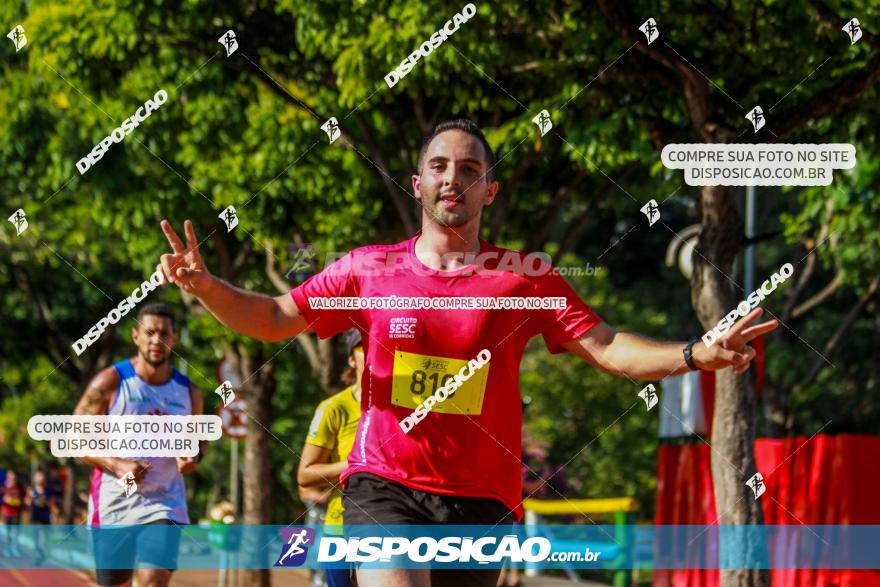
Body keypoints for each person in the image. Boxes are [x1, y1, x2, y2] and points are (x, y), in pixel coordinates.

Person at [156, 118, 777, 587]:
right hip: (383, 483)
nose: (454, 177)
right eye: (440, 166)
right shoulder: (367, 271)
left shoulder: (524, 278)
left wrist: (697, 352)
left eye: (471, 169)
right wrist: (207, 287)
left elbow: (609, 348)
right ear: (419, 182)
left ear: (490, 191)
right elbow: (270, 317)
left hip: (481, 501)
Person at [73, 303, 203, 587]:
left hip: (164, 501)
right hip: (115, 501)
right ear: (136, 336)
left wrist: (190, 457)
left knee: (153, 579)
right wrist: (117, 464)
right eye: (150, 332)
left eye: (165, 334)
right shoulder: (110, 381)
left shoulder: (189, 393)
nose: (157, 340)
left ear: (175, 338)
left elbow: (195, 447)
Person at [298, 329, 364, 587]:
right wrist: (355, 464)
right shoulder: (333, 408)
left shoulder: (405, 407)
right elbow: (305, 474)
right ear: (350, 359)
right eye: (363, 347)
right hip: (340, 529)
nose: (372, 354)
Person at [26, 471, 55, 565]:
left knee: (44, 539)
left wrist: (44, 501)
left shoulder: (48, 490)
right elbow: (27, 503)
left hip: (45, 518)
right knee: (37, 538)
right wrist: (30, 497)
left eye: (41, 477)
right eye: (38, 477)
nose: (40, 479)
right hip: (35, 518)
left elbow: (51, 504)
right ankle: (38, 556)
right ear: (35, 479)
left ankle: (41, 553)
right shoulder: (31, 490)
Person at [1, 470, 24, 557]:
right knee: (7, 533)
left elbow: (23, 500)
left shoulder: (20, 487)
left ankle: (15, 548)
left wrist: (18, 502)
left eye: (14, 478)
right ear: (7, 478)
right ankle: (7, 548)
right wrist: (4, 499)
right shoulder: (3, 487)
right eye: (10, 478)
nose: (12, 480)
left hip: (16, 513)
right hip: (6, 513)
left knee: (15, 532)